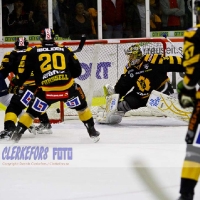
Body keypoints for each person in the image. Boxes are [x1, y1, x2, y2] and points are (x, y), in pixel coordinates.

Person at [8, 28, 100, 143]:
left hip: (46, 92)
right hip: (67, 90)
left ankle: (16, 136)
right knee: (82, 108)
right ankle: (92, 131)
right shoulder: (65, 49)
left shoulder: (33, 51)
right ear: (54, 37)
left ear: (41, 38)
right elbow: (77, 72)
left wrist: (14, 83)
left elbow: (24, 74)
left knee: (31, 114)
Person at [96, 43, 185, 124]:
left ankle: (183, 103)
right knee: (121, 106)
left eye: (132, 56)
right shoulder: (129, 69)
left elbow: (173, 62)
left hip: (160, 92)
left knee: (173, 101)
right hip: (140, 96)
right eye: (129, 56)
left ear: (138, 55)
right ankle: (112, 117)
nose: (130, 58)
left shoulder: (154, 60)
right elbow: (124, 85)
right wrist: (116, 93)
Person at [0, 37, 52, 139]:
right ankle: (45, 124)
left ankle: (9, 129)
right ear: (27, 45)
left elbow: (3, 72)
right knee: (35, 102)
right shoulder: (35, 52)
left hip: (24, 85)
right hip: (40, 84)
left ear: (15, 45)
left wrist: (9, 85)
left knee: (13, 106)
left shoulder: (10, 55)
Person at [176, 1, 200, 199]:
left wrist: (188, 90)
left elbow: (192, 71)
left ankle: (186, 195)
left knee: (195, 149)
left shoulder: (194, 33)